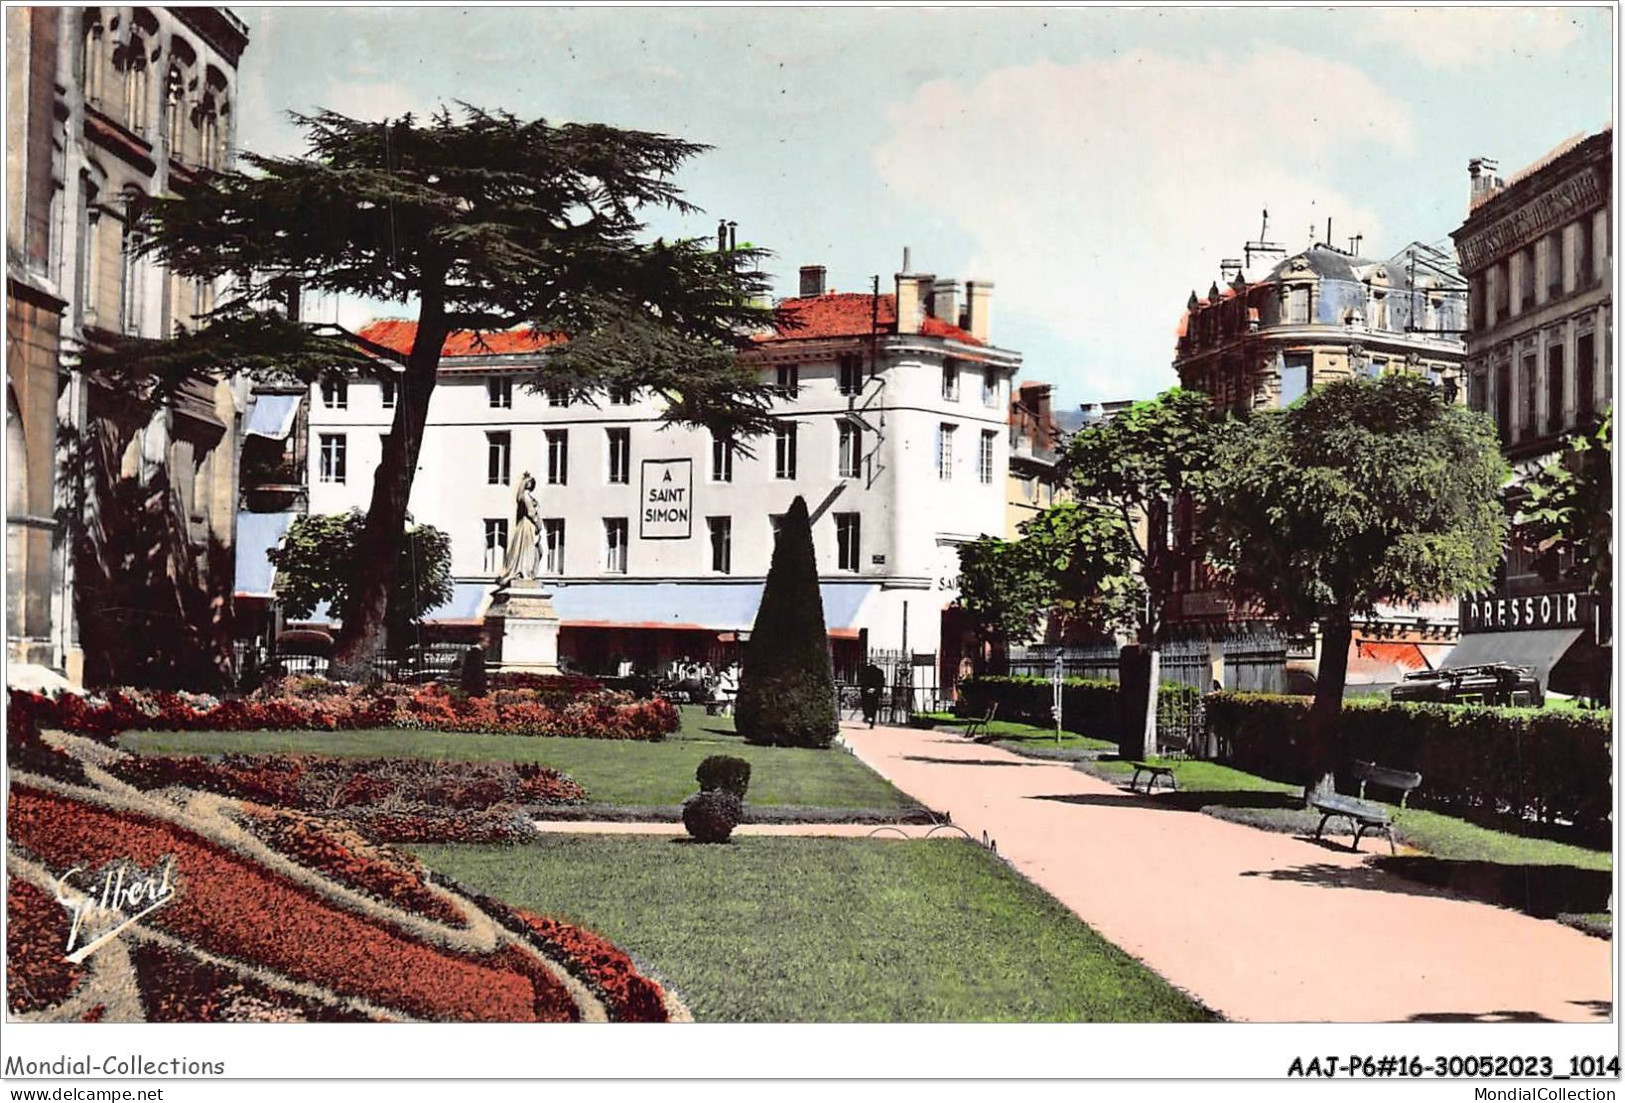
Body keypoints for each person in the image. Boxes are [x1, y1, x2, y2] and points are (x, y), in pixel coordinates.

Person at [494, 472, 541, 587]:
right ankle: (524, 572)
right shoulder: (526, 496)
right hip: (527, 525)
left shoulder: (523, 496)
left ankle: (524, 571)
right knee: (526, 550)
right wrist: (538, 523)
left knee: (528, 550)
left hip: (524, 525)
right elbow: (531, 512)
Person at [859, 662, 887, 728]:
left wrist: (867, 689)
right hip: (874, 691)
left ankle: (868, 717)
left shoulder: (865, 671)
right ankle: (872, 720)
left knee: (866, 705)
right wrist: (876, 689)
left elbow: (862, 681)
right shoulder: (880, 672)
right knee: (873, 707)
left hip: (867, 691)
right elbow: (881, 682)